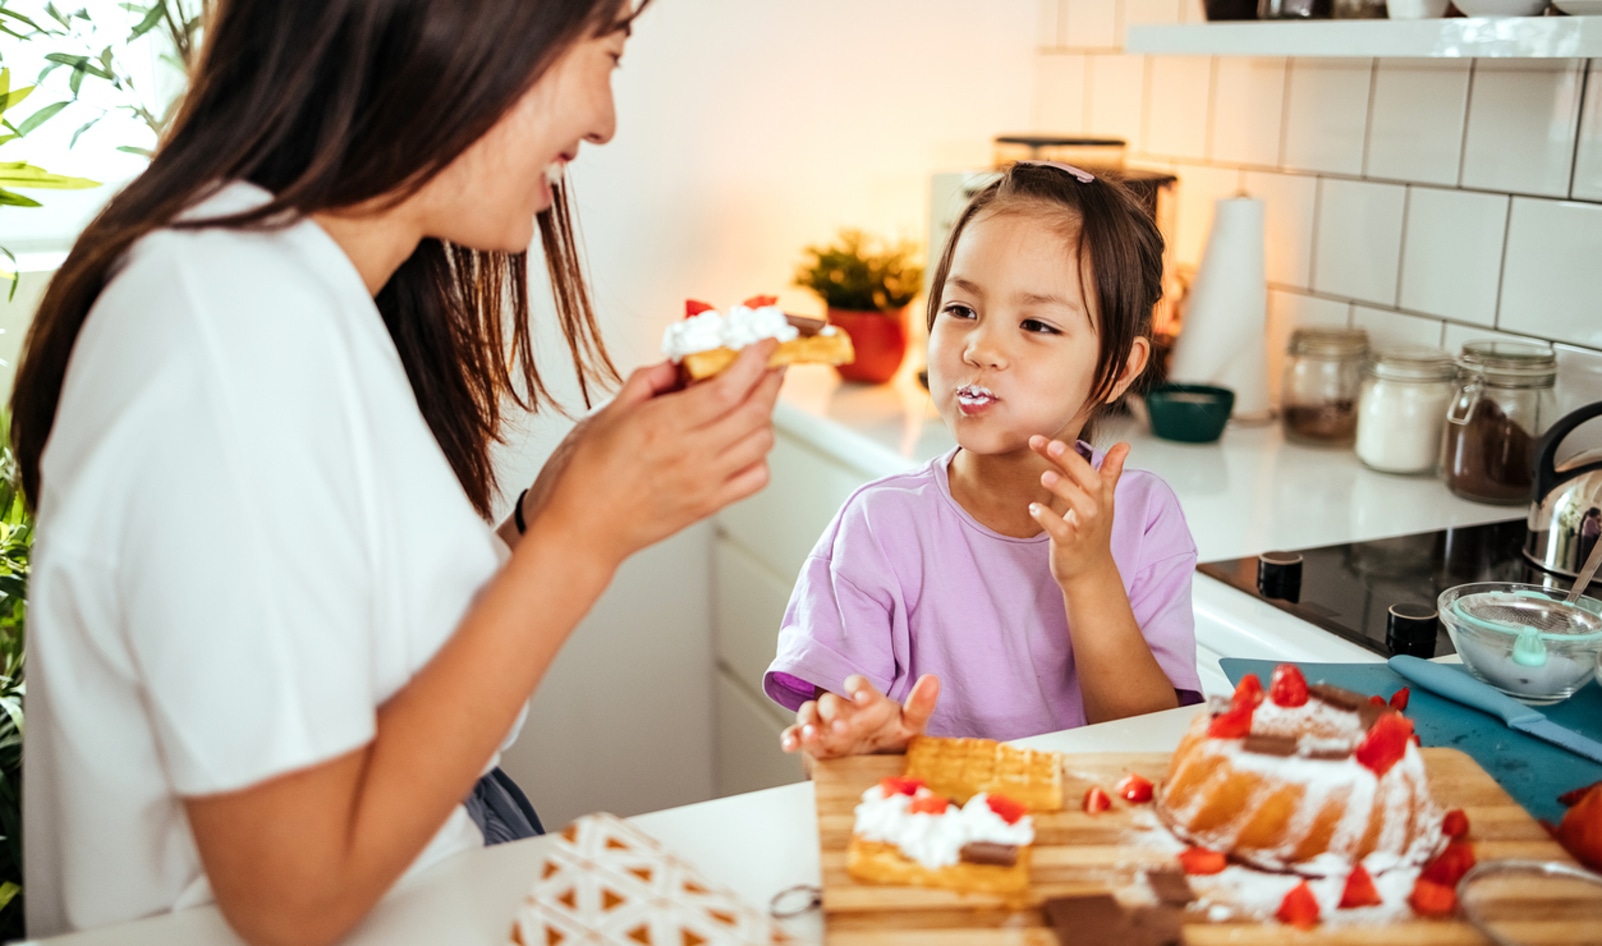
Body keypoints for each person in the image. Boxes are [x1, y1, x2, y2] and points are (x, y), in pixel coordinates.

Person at [11, 2, 784, 944]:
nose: (605, 120)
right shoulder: (227, 331)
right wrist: (585, 539)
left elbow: (369, 665)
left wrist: (546, 516)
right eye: (608, 52)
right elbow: (291, 897)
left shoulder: (302, 293)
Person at [764, 161, 1201, 760]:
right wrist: (856, 743)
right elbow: (834, 757)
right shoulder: (880, 527)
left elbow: (1153, 747)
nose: (981, 348)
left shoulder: (1145, 518)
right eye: (961, 310)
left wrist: (1089, 573)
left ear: (1119, 369)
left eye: (1036, 324)